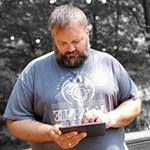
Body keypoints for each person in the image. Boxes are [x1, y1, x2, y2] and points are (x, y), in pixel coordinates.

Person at [3, 4, 141, 150]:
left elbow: (133, 102)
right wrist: (50, 133)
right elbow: (15, 121)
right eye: (62, 43)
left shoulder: (108, 63)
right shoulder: (34, 70)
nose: (70, 49)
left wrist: (108, 118)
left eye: (76, 41)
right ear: (53, 37)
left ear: (87, 32)